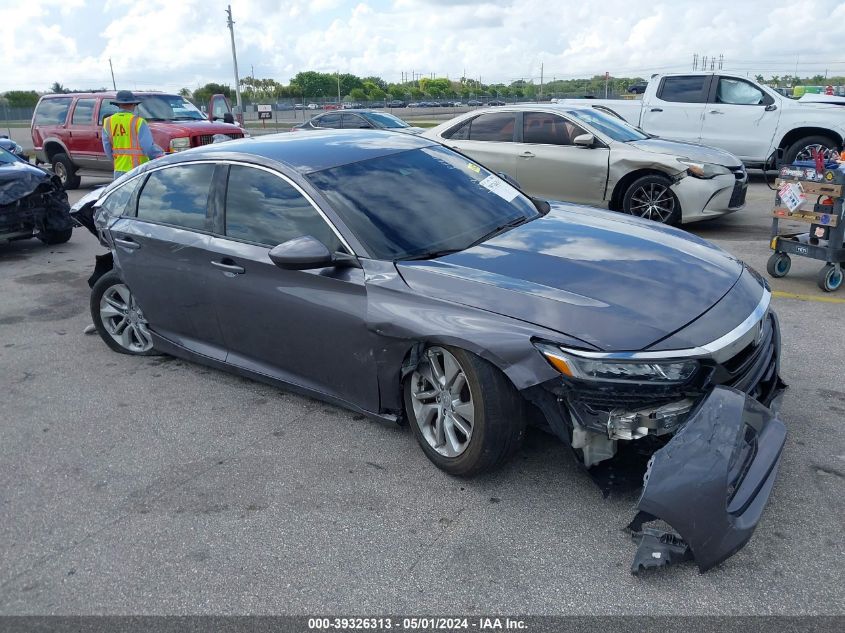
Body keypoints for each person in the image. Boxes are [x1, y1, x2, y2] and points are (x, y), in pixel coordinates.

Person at [102, 90, 164, 179]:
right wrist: (161, 156)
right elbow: (148, 148)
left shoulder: (108, 122)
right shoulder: (139, 122)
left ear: (118, 105)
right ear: (133, 104)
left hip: (119, 170)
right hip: (138, 170)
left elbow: (107, 150)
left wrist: (118, 162)